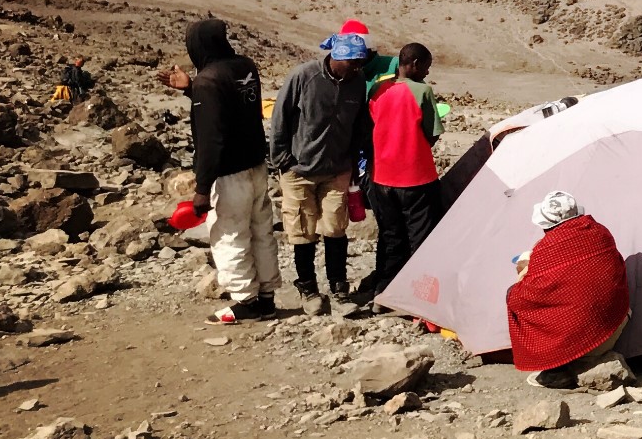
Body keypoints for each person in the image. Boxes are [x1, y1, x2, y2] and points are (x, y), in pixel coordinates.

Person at [159, 19, 278, 323]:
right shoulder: (245, 66)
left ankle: (245, 301)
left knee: (230, 235)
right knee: (260, 231)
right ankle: (266, 298)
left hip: (229, 174)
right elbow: (232, 109)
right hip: (256, 166)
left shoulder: (208, 80)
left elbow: (212, 138)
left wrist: (202, 188)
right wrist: (191, 90)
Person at [268, 29, 371, 314]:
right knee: (302, 231)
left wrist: (355, 165)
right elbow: (280, 118)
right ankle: (308, 289)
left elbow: (359, 124)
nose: (357, 68)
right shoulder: (303, 76)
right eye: (353, 62)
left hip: (337, 169)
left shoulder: (357, 82)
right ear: (337, 58)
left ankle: (339, 290)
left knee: (336, 228)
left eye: (360, 63)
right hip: (299, 169)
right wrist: (283, 160)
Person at [506, 191, 632, 389]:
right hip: (614, 326)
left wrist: (523, 275)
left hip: (579, 342)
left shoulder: (548, 248)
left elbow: (523, 299)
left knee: (515, 296)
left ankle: (558, 368)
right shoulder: (600, 233)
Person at [357, 43, 445, 303]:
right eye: (426, 67)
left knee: (390, 236)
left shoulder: (378, 89)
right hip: (416, 178)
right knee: (421, 237)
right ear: (415, 64)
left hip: (381, 177)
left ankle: (383, 290)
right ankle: (418, 298)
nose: (427, 73)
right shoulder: (423, 92)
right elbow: (431, 134)